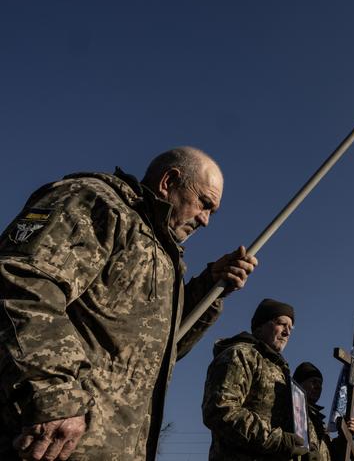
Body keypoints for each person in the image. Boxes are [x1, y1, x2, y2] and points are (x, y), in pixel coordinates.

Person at [0, 147, 258, 461]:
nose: (205, 220)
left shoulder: (165, 258)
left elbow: (164, 347)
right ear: (169, 181)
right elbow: (22, 283)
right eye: (204, 203)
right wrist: (54, 393)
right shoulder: (98, 203)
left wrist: (210, 287)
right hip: (53, 443)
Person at [202, 298, 309, 461]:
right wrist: (277, 440)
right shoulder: (241, 355)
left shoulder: (280, 370)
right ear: (260, 326)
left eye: (290, 328)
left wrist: (302, 447)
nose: (287, 332)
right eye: (281, 324)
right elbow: (220, 409)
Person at [293, 362, 354, 461]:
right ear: (299, 383)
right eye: (313, 382)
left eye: (320, 384)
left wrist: (346, 435)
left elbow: (332, 456)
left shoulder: (320, 425)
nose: (318, 387)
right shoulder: (291, 411)